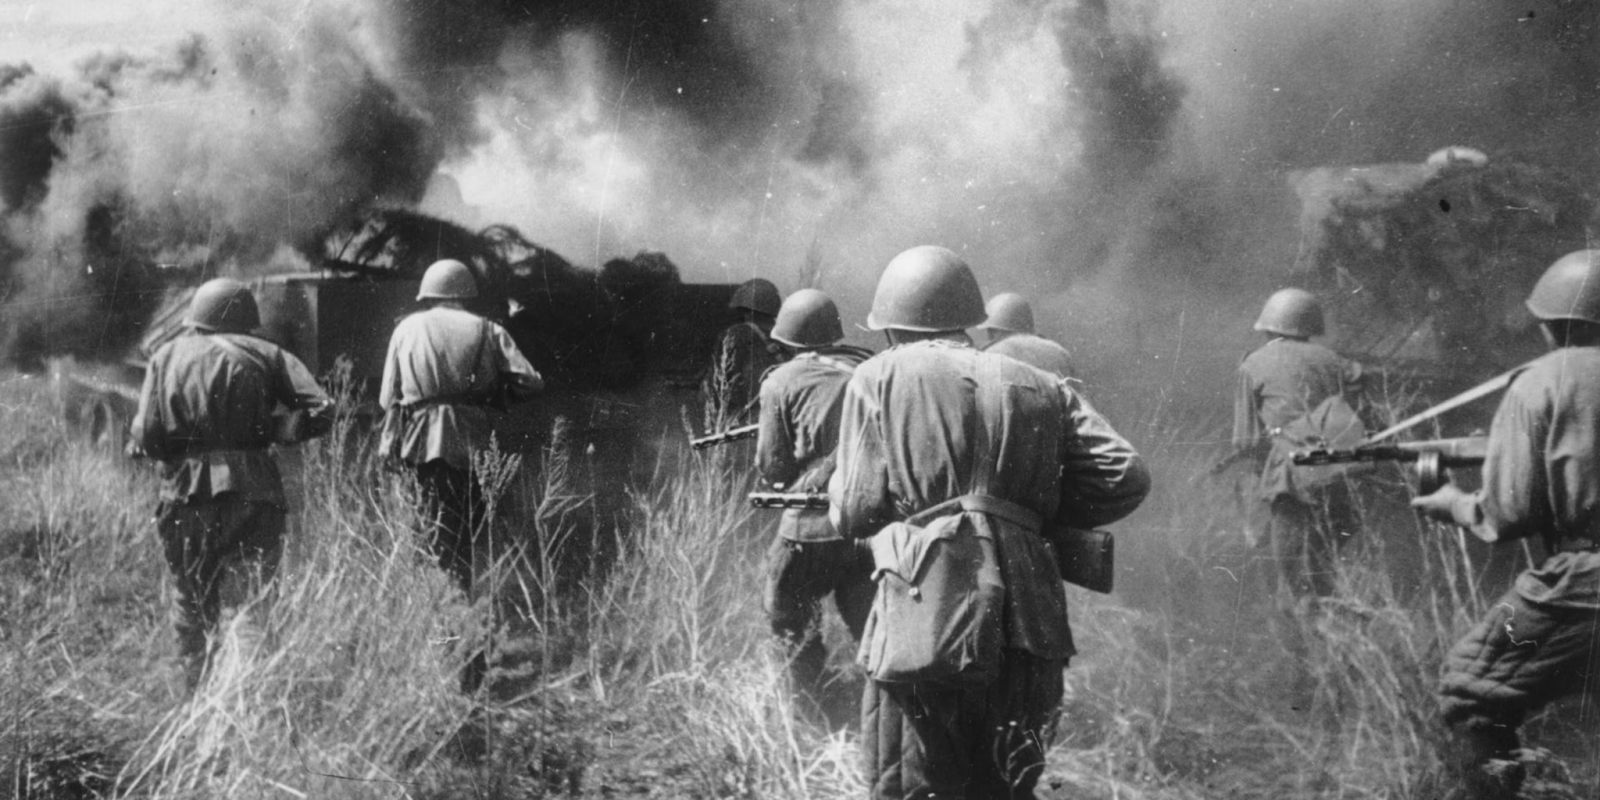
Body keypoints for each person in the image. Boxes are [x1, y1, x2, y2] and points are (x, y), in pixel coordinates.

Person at [830, 245, 1149, 799]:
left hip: (923, 617)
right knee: (1005, 786)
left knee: (911, 786)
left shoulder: (876, 376)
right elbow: (1125, 474)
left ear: (892, 326)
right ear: (969, 320)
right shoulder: (1040, 383)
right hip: (1031, 620)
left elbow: (855, 511)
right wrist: (1027, 520)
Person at [1411, 249, 1600, 800]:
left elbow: (1509, 514)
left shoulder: (1542, 381)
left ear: (1551, 326)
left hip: (1586, 579)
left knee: (1472, 691)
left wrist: (1455, 503)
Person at [131, 278, 334, 691]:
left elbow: (148, 434)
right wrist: (271, 429)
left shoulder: (165, 356)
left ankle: (193, 702)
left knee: (190, 604)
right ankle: (245, 705)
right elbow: (323, 410)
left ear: (196, 317)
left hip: (184, 494)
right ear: (247, 317)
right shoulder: (269, 354)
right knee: (250, 606)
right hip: (254, 491)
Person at [379, 259, 543, 595]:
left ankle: (436, 609)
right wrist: (494, 394)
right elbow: (531, 382)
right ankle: (458, 605)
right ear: (466, 292)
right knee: (464, 536)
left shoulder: (405, 328)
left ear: (428, 293)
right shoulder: (488, 329)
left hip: (420, 445)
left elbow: (386, 399)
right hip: (472, 444)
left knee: (426, 532)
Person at [754, 288, 875, 724]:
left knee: (787, 616)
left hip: (810, 526)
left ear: (787, 338)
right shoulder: (869, 369)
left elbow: (773, 467)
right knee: (872, 625)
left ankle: (810, 715)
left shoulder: (781, 380)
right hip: (869, 526)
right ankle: (881, 710)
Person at [1232, 287, 1367, 609]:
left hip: (1291, 482)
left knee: (1296, 586)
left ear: (1268, 327)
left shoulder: (1253, 365)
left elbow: (1246, 441)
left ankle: (1318, 623)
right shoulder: (1337, 362)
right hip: (1341, 474)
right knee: (1323, 570)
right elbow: (1360, 411)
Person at [703, 278, 788, 429]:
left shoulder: (735, 334)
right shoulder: (789, 335)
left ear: (744, 309)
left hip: (746, 424)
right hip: (783, 418)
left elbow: (716, 385)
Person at [978, 292, 1075, 379]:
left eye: (990, 331)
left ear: (994, 330)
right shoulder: (1061, 353)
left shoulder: (991, 354)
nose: (989, 336)